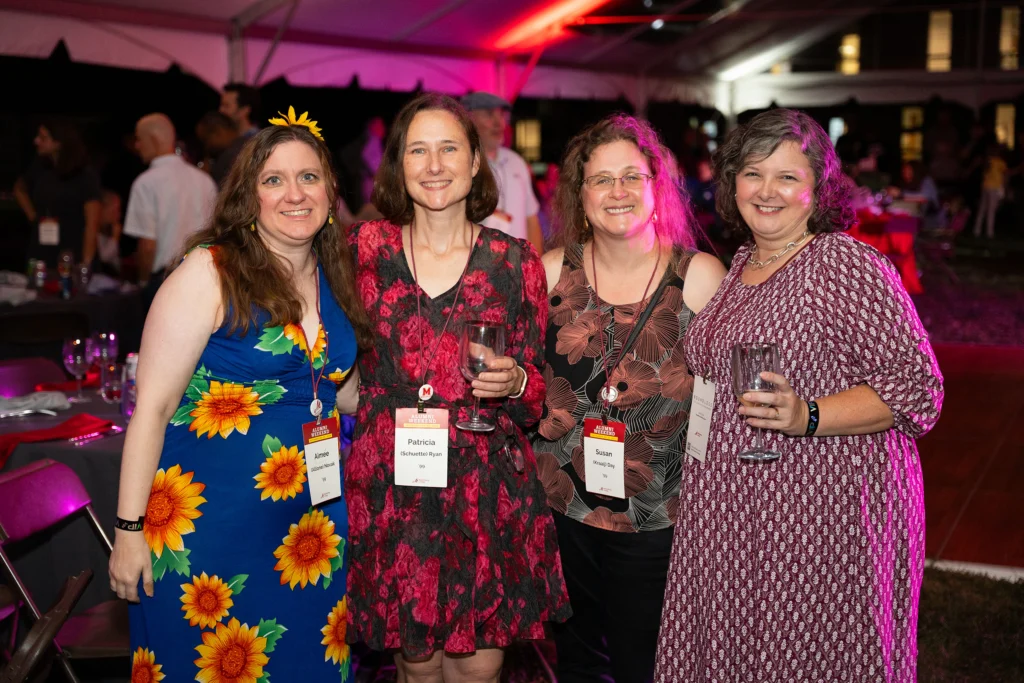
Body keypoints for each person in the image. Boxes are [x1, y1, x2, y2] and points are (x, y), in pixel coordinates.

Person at [654, 108, 944, 681]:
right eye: (754, 174)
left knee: (808, 653)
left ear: (817, 189)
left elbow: (918, 388)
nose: (767, 191)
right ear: (732, 181)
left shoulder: (842, 264)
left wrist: (808, 414)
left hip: (819, 512)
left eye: (787, 176)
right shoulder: (743, 263)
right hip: (732, 506)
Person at [108, 111, 372, 682]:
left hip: (311, 532)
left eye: (309, 177)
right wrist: (128, 534)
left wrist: (435, 395)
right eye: (274, 179)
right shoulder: (211, 272)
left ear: (330, 189)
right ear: (248, 195)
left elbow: (339, 390)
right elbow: (149, 409)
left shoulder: (333, 273)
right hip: (211, 533)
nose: (295, 193)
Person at [345, 92, 570, 682]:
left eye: (450, 148)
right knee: (416, 671)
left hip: (484, 488)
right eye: (418, 150)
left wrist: (517, 379)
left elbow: (533, 399)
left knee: (476, 672)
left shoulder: (515, 261)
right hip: (394, 488)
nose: (435, 164)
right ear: (398, 165)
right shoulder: (363, 253)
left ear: (476, 162)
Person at [532, 114, 726, 683]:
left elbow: (724, 402)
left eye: (632, 177)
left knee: (648, 665)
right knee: (578, 663)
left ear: (656, 185)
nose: (617, 192)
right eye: (601, 179)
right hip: (562, 508)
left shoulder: (699, 277)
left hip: (658, 518)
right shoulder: (549, 274)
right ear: (580, 193)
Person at [123, 114, 218, 310]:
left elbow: (148, 245)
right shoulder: (204, 180)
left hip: (166, 280)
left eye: (139, 139)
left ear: (155, 140)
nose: (137, 146)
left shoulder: (146, 182)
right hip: (207, 279)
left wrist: (143, 283)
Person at [462, 91, 545, 254]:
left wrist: (538, 265)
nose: (498, 122)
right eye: (489, 114)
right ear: (469, 119)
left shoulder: (517, 162)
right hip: (479, 269)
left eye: (501, 115)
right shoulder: (463, 164)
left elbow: (531, 219)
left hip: (520, 267)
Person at [13, 119, 102, 265]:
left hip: (72, 252)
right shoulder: (40, 168)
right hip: (41, 249)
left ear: (58, 142)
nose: (36, 141)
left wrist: (86, 264)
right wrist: (33, 216)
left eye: (43, 138)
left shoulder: (84, 175)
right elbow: (19, 188)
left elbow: (92, 223)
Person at [196, 111, 246, 187]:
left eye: (206, 139)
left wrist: (205, 176)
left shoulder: (228, 157)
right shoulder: (249, 144)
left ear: (219, 132)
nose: (207, 146)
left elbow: (217, 194)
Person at [973, 141, 1007, 239]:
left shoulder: (986, 161)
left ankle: (977, 229)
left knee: (982, 209)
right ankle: (989, 232)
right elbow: (1005, 175)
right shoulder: (1000, 162)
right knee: (991, 210)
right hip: (994, 188)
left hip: (986, 187)